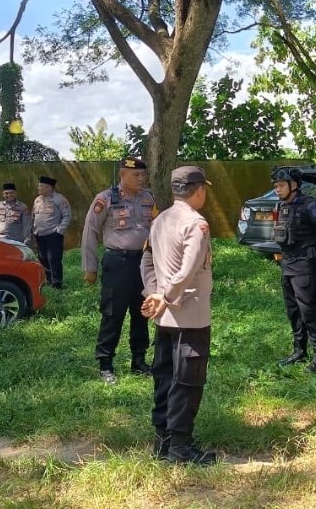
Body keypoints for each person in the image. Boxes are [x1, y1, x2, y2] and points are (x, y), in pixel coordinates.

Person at [141, 166, 218, 465]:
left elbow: (146, 261)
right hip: (190, 316)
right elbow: (188, 269)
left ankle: (163, 440)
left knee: (164, 376)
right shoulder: (197, 224)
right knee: (188, 381)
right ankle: (180, 446)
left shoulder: (160, 220)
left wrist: (154, 293)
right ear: (199, 190)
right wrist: (165, 297)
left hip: (165, 317)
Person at [81, 156, 158, 385]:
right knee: (113, 313)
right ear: (122, 174)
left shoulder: (148, 198)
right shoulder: (105, 199)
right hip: (117, 263)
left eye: (143, 174)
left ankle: (139, 360)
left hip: (143, 263)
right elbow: (90, 232)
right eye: (136, 175)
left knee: (142, 311)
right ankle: (105, 364)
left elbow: (157, 227)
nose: (141, 178)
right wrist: (90, 267)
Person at [271, 166, 316, 373]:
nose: (277, 189)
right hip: (287, 264)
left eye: (281, 185)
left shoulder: (309, 205)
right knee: (293, 310)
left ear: (294, 185)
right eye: (276, 186)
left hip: (305, 266)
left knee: (309, 310)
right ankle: (300, 350)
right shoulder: (281, 206)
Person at [32, 175, 73, 289]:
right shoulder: (37, 200)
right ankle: (48, 280)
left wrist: (59, 231)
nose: (38, 188)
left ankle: (57, 283)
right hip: (39, 234)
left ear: (49, 187)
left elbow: (67, 215)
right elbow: (33, 216)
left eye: (41, 186)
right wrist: (33, 230)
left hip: (53, 235)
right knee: (42, 258)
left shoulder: (59, 199)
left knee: (54, 259)